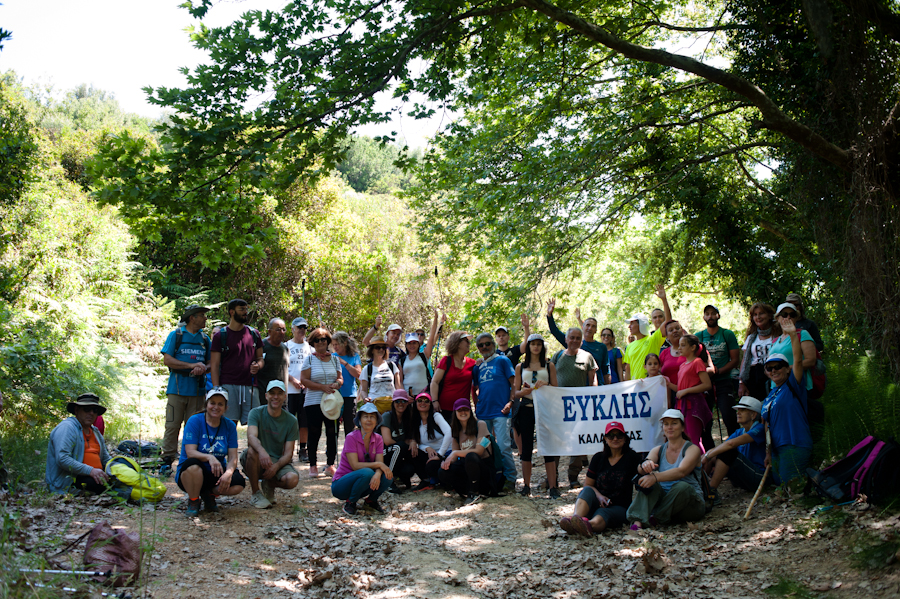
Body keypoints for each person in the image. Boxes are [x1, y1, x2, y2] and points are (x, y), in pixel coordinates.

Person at [627, 409, 706, 530]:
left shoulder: (692, 449)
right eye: (666, 424)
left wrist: (655, 477)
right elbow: (640, 469)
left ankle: (655, 518)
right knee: (647, 483)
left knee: (682, 486)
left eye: (674, 423)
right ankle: (637, 523)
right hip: (666, 501)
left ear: (682, 427)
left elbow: (682, 471)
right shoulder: (658, 450)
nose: (670, 427)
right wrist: (645, 465)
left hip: (690, 504)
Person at [559, 422, 642, 537]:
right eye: (611, 436)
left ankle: (587, 526)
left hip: (620, 507)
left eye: (619, 435)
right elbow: (588, 485)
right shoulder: (598, 458)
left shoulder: (632, 457)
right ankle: (575, 520)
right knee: (586, 491)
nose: (615, 438)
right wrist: (599, 496)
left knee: (602, 514)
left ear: (625, 438)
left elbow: (643, 474)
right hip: (597, 502)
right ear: (605, 439)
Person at [175, 389, 246, 516]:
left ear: (225, 407)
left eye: (220, 404)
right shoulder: (195, 421)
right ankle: (193, 500)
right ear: (206, 404)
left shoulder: (229, 425)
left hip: (215, 472)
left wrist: (228, 473)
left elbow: (233, 457)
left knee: (238, 483)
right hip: (191, 472)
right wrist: (210, 457)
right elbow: (190, 452)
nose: (216, 407)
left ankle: (209, 494)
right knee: (193, 465)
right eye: (212, 403)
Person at [761, 316, 813, 486]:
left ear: (786, 368)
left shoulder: (792, 385)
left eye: (778, 366)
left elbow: (798, 360)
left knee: (788, 485)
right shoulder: (769, 396)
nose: (774, 370)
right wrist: (768, 452)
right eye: (770, 368)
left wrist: (792, 335)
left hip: (794, 443)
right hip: (776, 449)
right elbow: (767, 426)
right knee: (778, 483)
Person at [160, 304, 211, 473]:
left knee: (195, 427)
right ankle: (167, 460)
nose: (205, 318)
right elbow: (167, 360)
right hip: (177, 389)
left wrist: (203, 367)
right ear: (192, 318)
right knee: (172, 425)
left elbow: (212, 362)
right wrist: (191, 366)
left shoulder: (205, 339)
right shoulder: (176, 335)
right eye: (202, 315)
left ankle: (192, 460)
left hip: (198, 391)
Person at [549, 326, 598, 490]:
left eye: (578, 338)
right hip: (558, 406)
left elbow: (593, 381)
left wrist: (593, 399)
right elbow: (549, 378)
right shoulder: (557, 356)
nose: (575, 340)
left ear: (581, 340)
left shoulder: (587, 357)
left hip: (580, 407)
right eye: (572, 337)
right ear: (566, 339)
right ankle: (552, 477)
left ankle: (573, 476)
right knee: (556, 441)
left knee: (577, 441)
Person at [241, 381, 300, 508]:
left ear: (285, 397)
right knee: (252, 451)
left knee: (292, 479)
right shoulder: (255, 413)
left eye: (280, 393)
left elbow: (288, 453)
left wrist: (276, 466)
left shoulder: (291, 420)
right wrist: (262, 451)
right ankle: (255, 493)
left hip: (276, 460)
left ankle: (269, 484)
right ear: (266, 395)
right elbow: (251, 437)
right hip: (257, 457)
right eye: (272, 393)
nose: (276, 397)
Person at [513, 334, 558, 497]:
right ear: (529, 347)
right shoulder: (520, 367)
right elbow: (515, 392)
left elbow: (556, 388)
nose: (536, 347)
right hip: (526, 408)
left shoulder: (549, 365)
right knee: (526, 447)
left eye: (539, 344)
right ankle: (526, 486)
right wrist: (522, 392)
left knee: (548, 447)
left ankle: (553, 487)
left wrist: (546, 384)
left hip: (545, 409)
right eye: (533, 344)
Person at [471, 332, 517, 493]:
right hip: (483, 413)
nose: (484, 347)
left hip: (501, 411)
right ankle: (491, 478)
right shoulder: (478, 367)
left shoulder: (503, 361)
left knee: (504, 445)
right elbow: (476, 388)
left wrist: (510, 402)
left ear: (493, 344)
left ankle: (510, 478)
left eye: (487, 344)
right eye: (481, 345)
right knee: (484, 446)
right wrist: (476, 405)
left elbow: (514, 383)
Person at [331, 402, 393, 515]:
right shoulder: (351, 437)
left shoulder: (378, 439)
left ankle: (371, 501)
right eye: (365, 416)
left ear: (376, 421)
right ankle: (351, 502)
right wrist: (379, 465)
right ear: (359, 420)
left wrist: (378, 473)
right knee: (368, 472)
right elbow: (355, 465)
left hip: (362, 481)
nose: (369, 420)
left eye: (372, 417)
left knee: (387, 476)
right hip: (341, 484)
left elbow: (380, 463)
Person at [209, 299, 264, 425]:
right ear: (232, 312)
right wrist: (217, 389)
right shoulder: (220, 336)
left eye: (246, 309)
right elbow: (215, 365)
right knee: (228, 423)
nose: (245, 312)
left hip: (250, 385)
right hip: (228, 385)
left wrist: (258, 366)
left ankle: (252, 446)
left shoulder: (254, 334)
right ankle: (229, 446)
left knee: (254, 423)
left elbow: (260, 359)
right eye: (242, 309)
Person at [702, 396, 767, 500]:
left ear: (753, 415)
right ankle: (702, 488)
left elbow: (730, 444)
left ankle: (711, 492)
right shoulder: (740, 432)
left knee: (727, 452)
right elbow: (720, 448)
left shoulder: (759, 429)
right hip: (743, 476)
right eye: (738, 410)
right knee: (717, 452)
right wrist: (707, 455)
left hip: (758, 478)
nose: (738, 413)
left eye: (743, 410)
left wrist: (708, 456)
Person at [46, 394, 111, 494]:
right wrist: (91, 471)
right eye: (87, 409)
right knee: (100, 485)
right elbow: (62, 458)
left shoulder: (95, 432)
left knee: (121, 479)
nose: (91, 413)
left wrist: (119, 467)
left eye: (94, 410)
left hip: (95, 476)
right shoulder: (67, 428)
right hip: (70, 480)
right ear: (77, 410)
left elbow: (106, 459)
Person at [300, 327, 343, 478]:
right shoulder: (309, 359)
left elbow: (340, 378)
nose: (320, 342)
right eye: (317, 340)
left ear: (328, 341)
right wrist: (322, 387)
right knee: (314, 433)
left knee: (332, 432)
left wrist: (336, 384)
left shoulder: (334, 359)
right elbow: (303, 380)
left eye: (323, 339)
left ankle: (330, 465)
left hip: (331, 401)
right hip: (313, 401)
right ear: (313, 342)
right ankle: (313, 466)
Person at [439, 398, 499, 504]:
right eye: (459, 410)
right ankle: (465, 491)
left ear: (470, 411)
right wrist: (446, 463)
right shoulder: (456, 431)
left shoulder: (481, 425)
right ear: (455, 413)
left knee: (471, 456)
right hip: (467, 470)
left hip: (483, 468)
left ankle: (475, 492)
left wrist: (455, 453)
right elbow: (454, 456)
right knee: (443, 472)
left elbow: (479, 451)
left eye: (465, 409)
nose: (463, 412)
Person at [695, 304, 741, 435]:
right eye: (707, 314)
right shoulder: (698, 336)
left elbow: (735, 360)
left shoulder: (727, 334)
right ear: (704, 317)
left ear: (718, 316)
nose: (710, 316)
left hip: (724, 382)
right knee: (705, 422)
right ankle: (709, 453)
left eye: (713, 313)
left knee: (729, 417)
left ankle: (734, 453)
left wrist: (719, 371)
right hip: (704, 384)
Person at [549, 300, 610, 385]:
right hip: (577, 390)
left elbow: (606, 370)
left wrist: (609, 389)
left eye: (593, 326)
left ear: (596, 330)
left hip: (596, 389)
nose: (590, 328)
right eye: (588, 325)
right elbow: (555, 331)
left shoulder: (601, 347)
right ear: (583, 327)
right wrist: (549, 316)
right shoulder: (573, 343)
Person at [623, 285, 672, 380]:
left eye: (632, 324)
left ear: (640, 324)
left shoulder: (653, 339)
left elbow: (668, 321)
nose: (629, 326)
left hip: (651, 386)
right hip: (635, 389)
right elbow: (628, 370)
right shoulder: (629, 346)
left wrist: (664, 300)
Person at [674, 335, 713, 450]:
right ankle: (700, 465)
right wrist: (666, 382)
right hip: (682, 406)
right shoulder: (682, 365)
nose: (679, 348)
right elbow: (680, 388)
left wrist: (686, 391)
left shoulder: (697, 362)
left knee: (693, 440)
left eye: (683, 345)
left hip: (693, 406)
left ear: (692, 348)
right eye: (679, 345)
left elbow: (707, 384)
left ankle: (700, 466)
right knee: (688, 440)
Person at [768, 303, 818, 393]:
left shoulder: (803, 334)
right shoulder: (775, 341)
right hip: (777, 387)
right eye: (784, 314)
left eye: (792, 315)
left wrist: (785, 370)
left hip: (797, 385)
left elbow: (811, 360)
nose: (788, 317)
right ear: (777, 318)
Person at [410, 391, 452, 491]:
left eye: (426, 401)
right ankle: (426, 481)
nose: (423, 403)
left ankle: (441, 480)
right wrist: (426, 448)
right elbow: (418, 442)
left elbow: (449, 433)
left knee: (432, 467)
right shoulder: (415, 421)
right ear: (415, 404)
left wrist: (440, 455)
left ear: (430, 404)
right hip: (431, 454)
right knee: (411, 451)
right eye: (419, 401)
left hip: (445, 453)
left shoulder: (436, 416)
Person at [430, 331, 476, 422]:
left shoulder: (472, 363)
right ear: (458, 343)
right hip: (445, 409)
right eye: (466, 340)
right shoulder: (446, 361)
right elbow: (435, 382)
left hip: (464, 409)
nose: (469, 343)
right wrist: (434, 401)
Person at [738, 303, 780, 402]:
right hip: (754, 377)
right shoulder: (751, 338)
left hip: (774, 373)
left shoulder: (779, 335)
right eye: (755, 315)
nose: (758, 317)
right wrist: (741, 382)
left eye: (761, 313)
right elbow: (744, 360)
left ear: (770, 316)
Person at [381, 390, 417, 492]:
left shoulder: (408, 418)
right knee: (400, 446)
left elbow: (411, 438)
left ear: (407, 403)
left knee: (409, 465)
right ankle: (388, 481)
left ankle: (405, 478)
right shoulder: (387, 416)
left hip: (397, 453)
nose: (400, 404)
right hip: (382, 454)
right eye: (397, 401)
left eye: (403, 401)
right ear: (393, 403)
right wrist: (406, 444)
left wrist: (413, 442)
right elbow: (387, 441)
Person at [286, 317, 311, 463]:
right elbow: (282, 367)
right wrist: (292, 380)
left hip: (306, 392)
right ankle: (287, 451)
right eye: (299, 327)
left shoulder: (310, 348)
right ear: (293, 329)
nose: (302, 330)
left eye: (304, 327)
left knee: (304, 423)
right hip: (290, 391)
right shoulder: (286, 346)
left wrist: (307, 382)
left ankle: (303, 449)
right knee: (289, 422)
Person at [400, 310, 442, 396]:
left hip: (424, 395)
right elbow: (399, 381)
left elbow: (431, 337)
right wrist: (404, 395)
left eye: (414, 343)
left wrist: (436, 319)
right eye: (409, 343)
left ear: (418, 344)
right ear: (406, 345)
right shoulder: (402, 360)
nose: (412, 345)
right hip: (408, 397)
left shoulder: (424, 355)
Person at [358, 335, 401, 413]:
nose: (381, 350)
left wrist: (400, 399)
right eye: (378, 347)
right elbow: (363, 390)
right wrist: (365, 398)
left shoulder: (392, 365)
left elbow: (398, 386)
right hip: (374, 406)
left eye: (383, 348)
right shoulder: (367, 369)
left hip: (391, 405)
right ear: (372, 350)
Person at [332, 331, 362, 437]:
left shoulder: (354, 356)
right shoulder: (331, 356)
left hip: (349, 396)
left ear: (344, 343)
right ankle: (332, 452)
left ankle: (350, 451)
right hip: (334, 396)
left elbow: (358, 374)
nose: (335, 347)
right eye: (333, 345)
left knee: (349, 427)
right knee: (333, 427)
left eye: (337, 344)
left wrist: (344, 363)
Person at [256, 318, 290, 405]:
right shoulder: (262, 346)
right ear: (270, 331)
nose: (281, 332)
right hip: (265, 397)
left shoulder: (285, 348)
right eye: (278, 329)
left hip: (282, 397)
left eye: (283, 329)